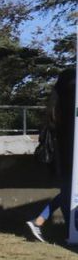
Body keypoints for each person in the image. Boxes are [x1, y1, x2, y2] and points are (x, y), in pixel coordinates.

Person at [26, 69, 76, 243]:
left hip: (63, 151)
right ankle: (69, 233)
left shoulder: (60, 100)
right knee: (68, 192)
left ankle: (39, 222)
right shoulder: (71, 83)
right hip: (68, 151)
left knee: (67, 192)